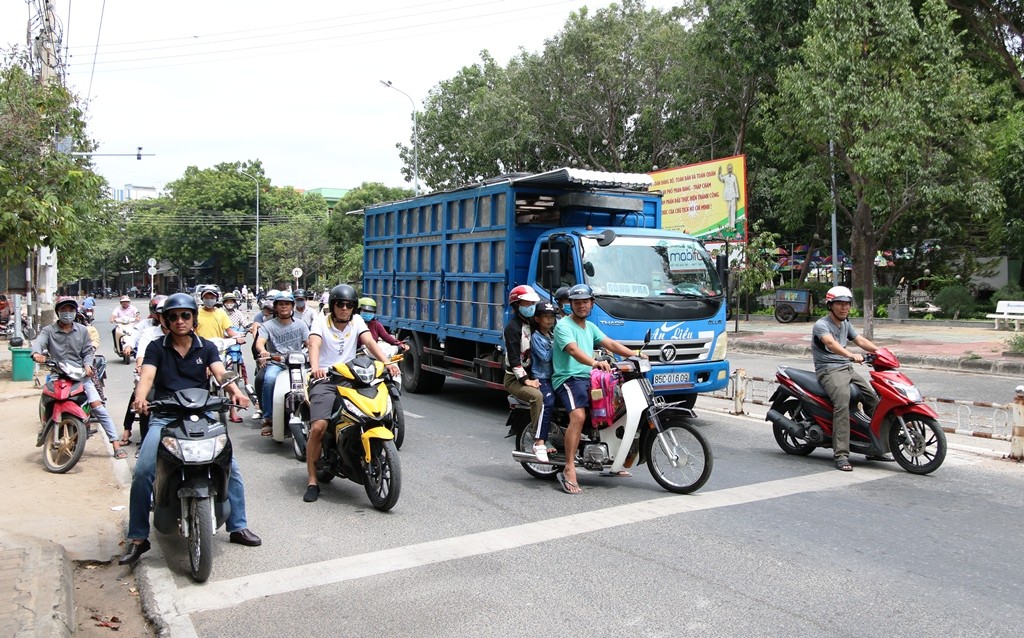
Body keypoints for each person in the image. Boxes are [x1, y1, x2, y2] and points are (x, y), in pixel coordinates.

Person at [118, 293, 260, 565]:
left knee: (231, 466)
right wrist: (141, 398)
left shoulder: (205, 346)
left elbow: (221, 373)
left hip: (203, 414)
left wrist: (236, 392)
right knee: (145, 470)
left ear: (194, 318)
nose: (180, 321)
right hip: (165, 416)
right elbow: (147, 376)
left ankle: (238, 526)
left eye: (185, 315)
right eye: (173, 316)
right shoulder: (157, 348)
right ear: (165, 321)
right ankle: (137, 537)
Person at [303, 284, 399, 503]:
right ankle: (312, 481)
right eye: (340, 304)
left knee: (374, 409)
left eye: (348, 305)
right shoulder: (321, 321)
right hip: (325, 379)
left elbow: (369, 342)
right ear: (332, 306)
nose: (344, 308)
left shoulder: (357, 321)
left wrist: (386, 362)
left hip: (351, 376)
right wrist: (316, 367)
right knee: (319, 426)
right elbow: (314, 344)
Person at [552, 284, 641, 494]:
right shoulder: (564, 326)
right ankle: (569, 467)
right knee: (579, 416)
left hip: (589, 378)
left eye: (585, 302)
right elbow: (573, 350)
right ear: (570, 305)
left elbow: (610, 343)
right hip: (568, 378)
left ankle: (613, 459)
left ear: (591, 304)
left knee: (615, 408)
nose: (581, 306)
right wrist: (593, 363)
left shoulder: (589, 327)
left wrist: (635, 354)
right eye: (577, 302)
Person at [31, 297, 125, 459]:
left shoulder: (82, 330)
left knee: (98, 407)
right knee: (47, 400)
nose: (67, 313)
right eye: (64, 310)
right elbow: (38, 343)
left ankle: (116, 444)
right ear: (58, 312)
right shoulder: (49, 331)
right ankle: (45, 428)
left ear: (75, 312)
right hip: (57, 375)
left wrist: (88, 365)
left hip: (80, 376)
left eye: (70, 310)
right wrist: (37, 354)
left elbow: (88, 352)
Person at [811, 285, 880, 472]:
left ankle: (874, 445)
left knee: (873, 399)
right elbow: (831, 344)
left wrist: (879, 351)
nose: (844, 308)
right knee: (842, 404)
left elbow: (861, 341)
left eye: (847, 304)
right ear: (830, 305)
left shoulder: (846, 324)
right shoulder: (822, 325)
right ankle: (841, 454)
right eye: (840, 304)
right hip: (829, 370)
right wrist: (850, 355)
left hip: (846, 368)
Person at [254, 292, 310, 437]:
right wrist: (263, 351)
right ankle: (267, 418)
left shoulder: (301, 324)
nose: (284, 306)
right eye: (280, 304)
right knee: (269, 380)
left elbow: (309, 343)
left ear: (292, 306)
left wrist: (314, 353)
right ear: (276, 307)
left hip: (298, 364)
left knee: (312, 383)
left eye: (287, 304)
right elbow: (260, 342)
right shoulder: (268, 325)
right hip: (277, 363)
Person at [502, 285, 548, 460]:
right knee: (537, 397)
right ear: (517, 304)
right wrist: (526, 380)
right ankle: (540, 439)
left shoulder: (533, 324)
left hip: (535, 373)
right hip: (514, 379)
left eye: (532, 303)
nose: (530, 306)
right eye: (527, 303)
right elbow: (514, 359)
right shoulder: (512, 328)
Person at [121, 296, 168, 448]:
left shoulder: (191, 337)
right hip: (150, 373)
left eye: (183, 315)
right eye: (165, 315)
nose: (177, 321)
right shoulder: (149, 331)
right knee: (141, 399)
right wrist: (141, 366)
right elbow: (141, 352)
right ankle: (138, 436)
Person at [529, 302, 558, 462]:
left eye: (552, 317)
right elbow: (545, 357)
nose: (549, 320)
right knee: (548, 401)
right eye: (546, 317)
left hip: (555, 376)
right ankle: (539, 441)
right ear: (537, 319)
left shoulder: (552, 335)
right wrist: (558, 344)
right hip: (541, 377)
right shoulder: (536, 338)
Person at [717, 163, 741, 232]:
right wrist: (719, 173)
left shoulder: (734, 177)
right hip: (727, 195)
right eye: (728, 168)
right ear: (727, 169)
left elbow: (736, 186)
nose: (729, 170)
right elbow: (721, 178)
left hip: (733, 195)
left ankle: (733, 226)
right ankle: (729, 226)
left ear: (731, 169)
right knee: (729, 211)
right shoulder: (725, 177)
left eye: (730, 168)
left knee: (733, 211)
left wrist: (737, 195)